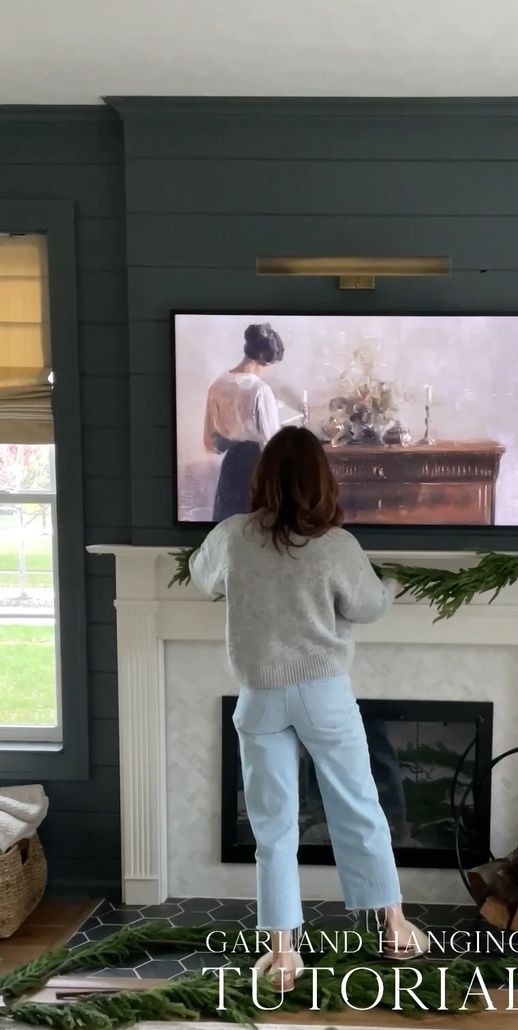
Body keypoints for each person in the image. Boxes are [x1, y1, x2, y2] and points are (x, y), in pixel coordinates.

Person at [189, 426, 428, 991]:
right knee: (358, 807)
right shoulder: (336, 545)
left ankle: (282, 957)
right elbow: (368, 607)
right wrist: (389, 584)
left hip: (261, 696)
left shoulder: (232, 535)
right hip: (324, 693)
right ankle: (394, 928)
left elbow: (204, 579)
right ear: (323, 479)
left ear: (262, 477)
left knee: (272, 827)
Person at [203, 322, 284, 522]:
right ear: (265, 360)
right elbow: (270, 443)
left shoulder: (217, 385)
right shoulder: (259, 390)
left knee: (228, 523)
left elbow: (210, 442)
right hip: (256, 465)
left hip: (230, 464)